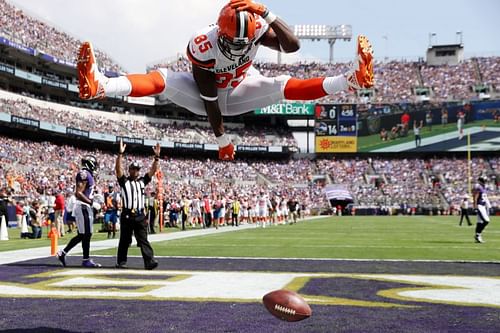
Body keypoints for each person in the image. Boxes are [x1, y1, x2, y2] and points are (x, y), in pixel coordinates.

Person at [77, 0, 374, 161]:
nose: (239, 47)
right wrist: (222, 141)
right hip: (216, 97)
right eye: (233, 42)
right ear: (220, 33)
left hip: (243, 83)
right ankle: (101, 85)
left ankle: (350, 81)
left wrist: (268, 14)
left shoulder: (255, 28)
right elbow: (211, 105)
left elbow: (292, 45)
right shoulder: (202, 47)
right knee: (164, 79)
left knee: (282, 84)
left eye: (244, 42)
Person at [115, 139, 160, 270]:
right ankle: (121, 261)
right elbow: (118, 170)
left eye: (137, 169)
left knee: (143, 239)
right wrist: (120, 154)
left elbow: (152, 171)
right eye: (133, 169)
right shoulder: (124, 181)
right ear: (129, 170)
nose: (136, 171)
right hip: (127, 214)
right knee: (124, 240)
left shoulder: (141, 182)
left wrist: (156, 157)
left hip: (140, 214)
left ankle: (149, 261)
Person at [57, 155, 102, 268]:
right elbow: (79, 193)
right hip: (83, 207)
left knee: (83, 234)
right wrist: (92, 203)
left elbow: (84, 192)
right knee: (86, 234)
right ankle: (85, 260)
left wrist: (93, 197)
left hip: (85, 206)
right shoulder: (84, 174)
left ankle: (63, 253)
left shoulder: (88, 174)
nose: (95, 167)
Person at [473, 177, 491, 243]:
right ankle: (478, 235)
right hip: (479, 206)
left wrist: (488, 205)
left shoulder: (484, 188)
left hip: (483, 206)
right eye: (484, 180)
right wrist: (475, 207)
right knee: (486, 221)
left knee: (479, 222)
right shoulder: (479, 187)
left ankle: (477, 237)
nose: (485, 182)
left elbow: (485, 198)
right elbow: (475, 198)